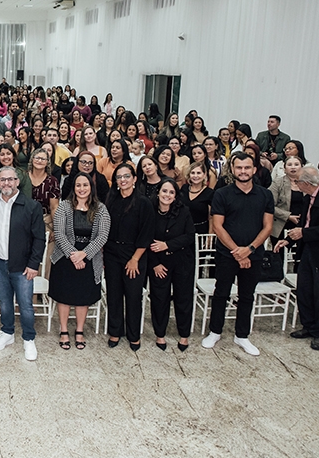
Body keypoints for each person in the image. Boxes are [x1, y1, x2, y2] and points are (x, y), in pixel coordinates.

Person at [201, 152, 274, 356]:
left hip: (254, 255)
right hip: (227, 254)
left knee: (247, 296)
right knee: (221, 293)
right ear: (232, 170)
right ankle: (215, 332)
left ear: (254, 169)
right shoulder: (222, 194)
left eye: (247, 167)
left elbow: (268, 227)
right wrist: (237, 252)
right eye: (239, 167)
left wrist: (249, 250)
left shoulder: (265, 195)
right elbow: (218, 226)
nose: (243, 171)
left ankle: (242, 335)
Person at [275, 167, 319, 351]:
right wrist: (288, 240)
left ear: (306, 183)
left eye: (297, 181)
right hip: (308, 251)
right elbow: (304, 224)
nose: (295, 183)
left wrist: (304, 233)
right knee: (304, 290)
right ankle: (308, 326)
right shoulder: (308, 197)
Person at [0, 166, 45, 360]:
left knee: (25, 305)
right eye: (2, 180)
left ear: (17, 182)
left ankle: (29, 338)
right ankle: (7, 332)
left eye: (10, 179)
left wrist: (33, 264)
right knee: (5, 302)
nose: (6, 183)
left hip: (22, 266)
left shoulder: (31, 206)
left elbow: (39, 238)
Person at [50, 173, 110, 351]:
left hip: (89, 257)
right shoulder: (64, 206)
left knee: (83, 296)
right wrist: (73, 255)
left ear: (91, 187)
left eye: (85, 185)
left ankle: (79, 331)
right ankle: (63, 330)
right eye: (78, 185)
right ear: (73, 188)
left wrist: (84, 254)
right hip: (64, 256)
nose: (82, 188)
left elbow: (102, 236)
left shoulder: (101, 209)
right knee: (63, 295)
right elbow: (59, 233)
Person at [104, 163, 155, 351]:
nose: (123, 180)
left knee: (133, 296)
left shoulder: (144, 202)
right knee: (114, 294)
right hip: (112, 253)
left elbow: (147, 233)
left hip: (134, 254)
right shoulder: (111, 200)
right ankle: (115, 331)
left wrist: (135, 259)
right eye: (119, 177)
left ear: (134, 179)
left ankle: (134, 335)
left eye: (126, 176)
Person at [147, 179, 195, 351]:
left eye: (171, 192)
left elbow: (189, 236)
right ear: (158, 192)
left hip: (182, 262)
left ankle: (184, 335)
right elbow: (144, 238)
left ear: (175, 196)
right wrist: (154, 264)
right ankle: (160, 334)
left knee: (183, 298)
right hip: (159, 263)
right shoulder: (149, 211)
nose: (167, 195)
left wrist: (167, 245)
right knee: (160, 299)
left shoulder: (184, 211)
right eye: (164, 191)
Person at [179, 161, 214, 234]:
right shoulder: (184, 188)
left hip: (201, 231)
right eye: (193, 173)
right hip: (182, 230)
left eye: (198, 173)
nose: (195, 176)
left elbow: (211, 218)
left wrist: (210, 235)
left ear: (204, 175)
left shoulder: (210, 193)